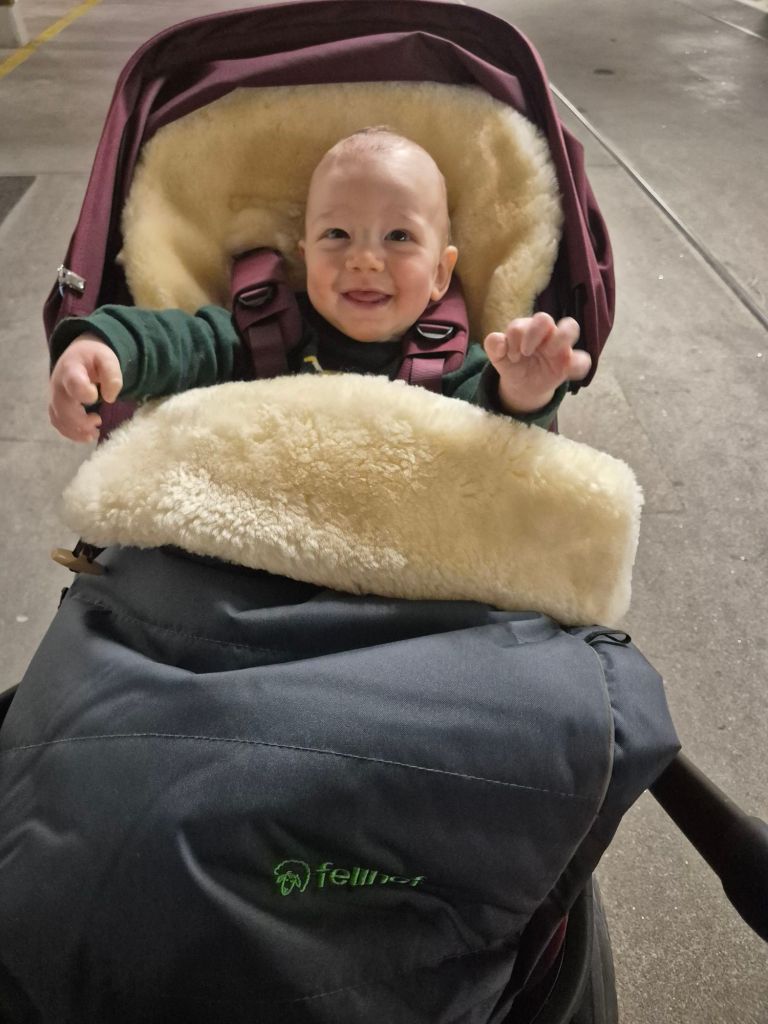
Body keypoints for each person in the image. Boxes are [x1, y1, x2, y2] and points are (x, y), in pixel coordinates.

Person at [48, 128, 590, 442]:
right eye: (337, 234)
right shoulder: (263, 332)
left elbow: (490, 436)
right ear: (304, 259)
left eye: (399, 236)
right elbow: (180, 343)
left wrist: (521, 392)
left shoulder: (453, 365)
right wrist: (103, 344)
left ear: (440, 275)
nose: (364, 260)